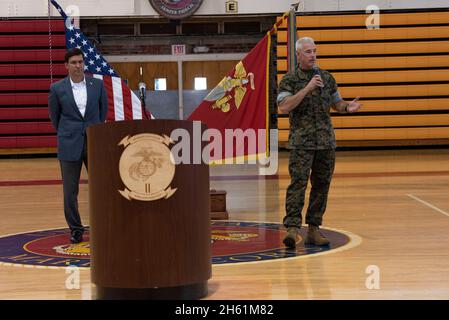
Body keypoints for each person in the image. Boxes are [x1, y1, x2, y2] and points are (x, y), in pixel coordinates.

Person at [277, 37, 362, 248]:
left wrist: (346, 107)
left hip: (325, 141)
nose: (313, 55)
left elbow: (337, 102)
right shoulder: (289, 80)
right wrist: (307, 88)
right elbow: (284, 107)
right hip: (301, 142)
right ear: (298, 55)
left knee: (321, 186)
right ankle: (292, 229)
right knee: (298, 184)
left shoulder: (326, 77)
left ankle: (314, 228)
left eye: (314, 51)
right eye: (308, 52)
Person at [48, 48, 108, 243]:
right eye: (74, 62)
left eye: (81, 62)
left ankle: (103, 225)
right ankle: (75, 229)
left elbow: (102, 113)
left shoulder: (97, 86)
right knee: (70, 191)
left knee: (101, 187)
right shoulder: (57, 89)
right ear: (66, 65)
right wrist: (69, 132)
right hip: (69, 144)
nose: (78, 66)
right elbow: (55, 118)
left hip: (94, 143)